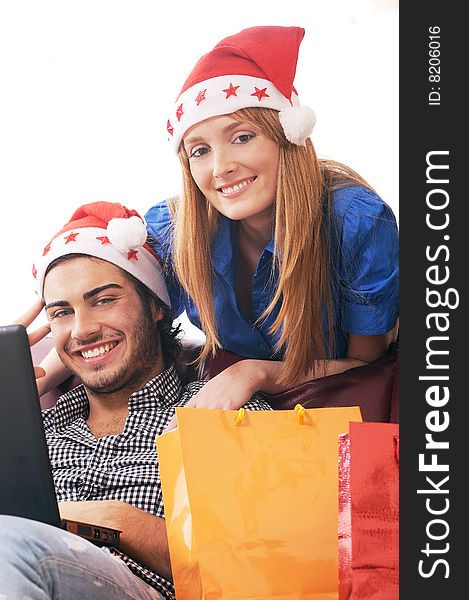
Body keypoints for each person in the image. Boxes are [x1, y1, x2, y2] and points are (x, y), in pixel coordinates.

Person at [0, 201, 270, 600]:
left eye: (104, 300)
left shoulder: (221, 410)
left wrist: (112, 519)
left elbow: (253, 571)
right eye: (62, 312)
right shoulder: (36, 432)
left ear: (156, 305)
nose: (83, 330)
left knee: (10, 545)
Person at [144, 25, 399, 423]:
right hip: (249, 419)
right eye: (200, 150)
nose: (220, 167)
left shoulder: (356, 221)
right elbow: (108, 306)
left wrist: (255, 373)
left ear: (288, 136)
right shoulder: (175, 230)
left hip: (338, 407)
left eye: (242, 137)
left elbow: (367, 364)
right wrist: (30, 370)